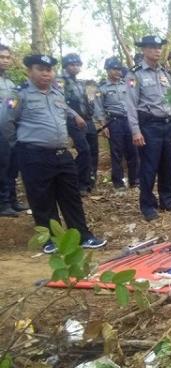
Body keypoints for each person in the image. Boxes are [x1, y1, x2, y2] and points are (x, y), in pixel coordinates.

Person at [2, 54, 106, 253]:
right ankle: (51, 239)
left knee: (71, 196)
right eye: (40, 69)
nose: (45, 73)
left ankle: (83, 236)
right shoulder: (19, 95)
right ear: (29, 71)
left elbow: (65, 109)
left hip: (61, 153)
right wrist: (17, 144)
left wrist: (76, 116)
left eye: (49, 69)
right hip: (34, 155)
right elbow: (5, 121)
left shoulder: (57, 94)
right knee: (42, 198)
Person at [125, 35, 171, 221]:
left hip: (167, 124)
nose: (157, 50)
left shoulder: (165, 73)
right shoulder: (135, 75)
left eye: (159, 47)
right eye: (152, 47)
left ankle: (167, 200)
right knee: (149, 167)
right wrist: (135, 130)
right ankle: (148, 205)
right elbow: (131, 104)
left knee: (168, 165)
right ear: (143, 50)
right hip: (149, 126)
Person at [94, 57, 139, 191]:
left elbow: (137, 95)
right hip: (114, 122)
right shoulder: (101, 88)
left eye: (119, 69)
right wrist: (103, 126)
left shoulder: (128, 83)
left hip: (129, 120)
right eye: (114, 69)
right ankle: (118, 182)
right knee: (117, 152)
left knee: (133, 151)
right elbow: (98, 107)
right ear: (107, 70)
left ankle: (135, 180)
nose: (117, 71)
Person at [60, 53, 96, 196]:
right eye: (72, 65)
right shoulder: (60, 82)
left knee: (93, 152)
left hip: (88, 119)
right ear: (66, 66)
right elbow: (60, 102)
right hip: (73, 121)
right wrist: (75, 116)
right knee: (84, 150)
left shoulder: (83, 83)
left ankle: (89, 181)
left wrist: (92, 93)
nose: (75, 67)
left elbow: (91, 102)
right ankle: (78, 182)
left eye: (77, 64)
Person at [0, 44, 27, 217]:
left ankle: (12, 200)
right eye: (2, 57)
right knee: (2, 165)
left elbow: (12, 104)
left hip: (9, 127)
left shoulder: (10, 83)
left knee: (12, 165)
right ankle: (3, 203)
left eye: (8, 57)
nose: (5, 60)